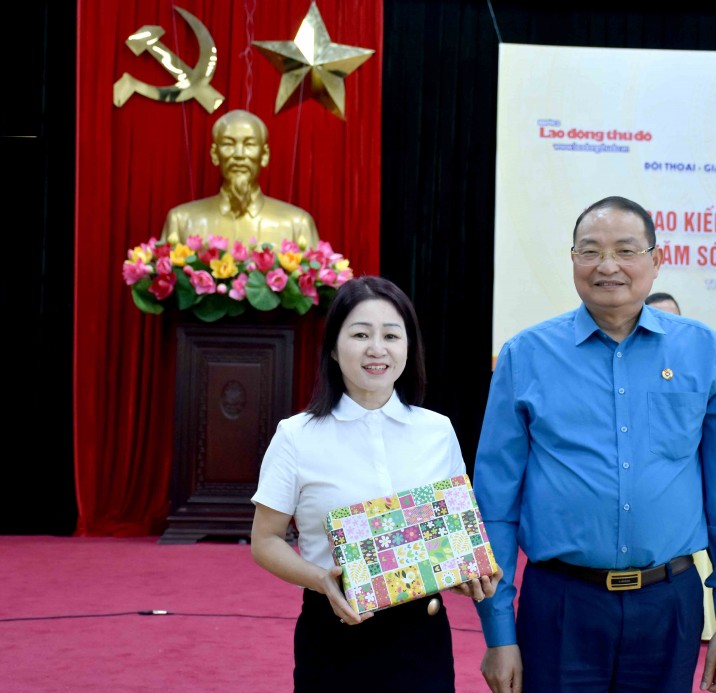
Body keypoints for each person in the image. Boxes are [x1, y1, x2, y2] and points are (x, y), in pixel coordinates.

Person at [474, 196, 716, 693]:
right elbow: (495, 506)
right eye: (590, 251)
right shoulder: (526, 356)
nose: (607, 266)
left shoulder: (700, 350)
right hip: (560, 603)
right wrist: (498, 631)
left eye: (626, 250)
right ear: (573, 259)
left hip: (668, 602)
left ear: (656, 260)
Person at [249, 275, 500, 692]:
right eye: (361, 334)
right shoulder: (296, 435)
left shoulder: (437, 431)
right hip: (335, 634)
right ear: (333, 347)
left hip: (423, 638)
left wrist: (466, 571)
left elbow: (452, 532)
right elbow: (265, 540)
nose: (377, 349)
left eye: (391, 335)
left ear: (408, 347)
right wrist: (321, 579)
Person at [163, 109, 320, 249]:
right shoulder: (182, 221)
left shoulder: (297, 224)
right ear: (215, 154)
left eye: (249, 144)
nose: (239, 154)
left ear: (264, 155)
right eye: (228, 144)